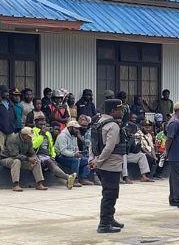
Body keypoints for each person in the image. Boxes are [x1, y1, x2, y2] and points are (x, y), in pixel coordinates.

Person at [92, 99, 127, 232]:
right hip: (110, 165)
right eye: (120, 109)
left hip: (102, 164)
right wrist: (98, 161)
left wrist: (94, 160)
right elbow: (109, 148)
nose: (122, 112)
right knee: (110, 194)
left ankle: (110, 218)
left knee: (110, 193)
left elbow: (93, 144)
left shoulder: (99, 122)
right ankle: (104, 224)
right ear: (113, 111)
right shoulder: (113, 126)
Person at [31, 112, 76, 189]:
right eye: (40, 124)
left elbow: (51, 146)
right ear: (35, 123)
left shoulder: (48, 133)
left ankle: (66, 182)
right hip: (37, 155)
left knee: (53, 165)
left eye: (44, 124)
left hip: (47, 156)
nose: (43, 126)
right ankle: (68, 177)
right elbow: (34, 145)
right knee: (50, 163)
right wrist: (41, 135)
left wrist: (52, 156)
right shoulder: (33, 132)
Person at [2, 127, 45, 192]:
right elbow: (14, 155)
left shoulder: (29, 140)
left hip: (21, 158)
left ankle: (39, 183)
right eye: (29, 136)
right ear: (24, 135)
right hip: (7, 158)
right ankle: (15, 185)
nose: (31, 138)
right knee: (16, 161)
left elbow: (32, 153)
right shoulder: (13, 139)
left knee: (36, 161)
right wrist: (28, 159)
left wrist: (34, 157)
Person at [54, 120, 92, 186]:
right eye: (76, 128)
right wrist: (74, 154)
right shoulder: (62, 136)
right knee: (76, 160)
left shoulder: (74, 135)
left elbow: (76, 147)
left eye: (78, 128)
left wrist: (78, 153)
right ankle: (74, 180)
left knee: (87, 160)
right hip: (60, 156)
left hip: (70, 155)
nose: (77, 130)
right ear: (70, 128)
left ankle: (83, 178)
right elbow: (63, 151)